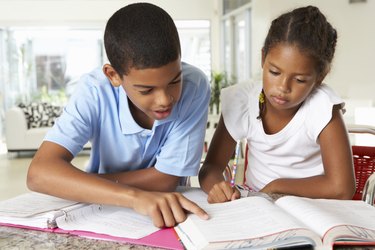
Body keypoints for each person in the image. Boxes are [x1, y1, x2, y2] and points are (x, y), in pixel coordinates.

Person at [27, 2, 210, 228]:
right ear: (113, 75)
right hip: (100, 211)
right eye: (146, 90)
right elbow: (39, 173)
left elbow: (165, 180)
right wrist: (134, 197)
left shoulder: (195, 85)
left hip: (161, 207)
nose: (165, 99)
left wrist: (77, 183)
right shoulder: (94, 91)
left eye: (174, 81)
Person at [199, 5, 356, 203]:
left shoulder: (322, 106)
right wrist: (217, 187)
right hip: (259, 208)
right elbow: (211, 167)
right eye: (274, 72)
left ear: (320, 77)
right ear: (263, 58)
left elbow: (342, 187)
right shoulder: (243, 100)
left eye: (299, 80)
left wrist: (277, 186)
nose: (283, 87)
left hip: (313, 208)